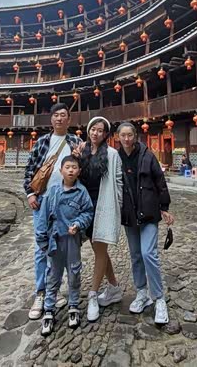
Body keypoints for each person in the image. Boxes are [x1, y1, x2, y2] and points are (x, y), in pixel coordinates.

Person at [23, 102, 83, 319]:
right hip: (43, 200)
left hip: (67, 203)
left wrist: (80, 157)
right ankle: (41, 292)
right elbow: (30, 169)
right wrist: (30, 193)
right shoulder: (43, 142)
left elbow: (82, 171)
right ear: (51, 119)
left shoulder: (76, 142)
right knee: (42, 248)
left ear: (69, 119)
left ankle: (54, 289)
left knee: (63, 247)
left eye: (63, 115)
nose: (59, 118)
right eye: (56, 115)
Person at [117, 122, 174, 324]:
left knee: (148, 253)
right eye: (123, 135)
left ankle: (159, 298)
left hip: (149, 212)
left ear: (135, 136)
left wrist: (164, 207)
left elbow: (160, 181)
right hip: (129, 215)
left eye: (130, 135)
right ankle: (142, 292)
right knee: (135, 255)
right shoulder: (116, 158)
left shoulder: (147, 156)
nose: (126, 139)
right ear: (118, 137)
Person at [35, 155, 94, 336]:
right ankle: (49, 309)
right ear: (60, 170)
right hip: (55, 240)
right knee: (53, 276)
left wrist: (79, 224)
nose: (70, 170)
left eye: (74, 167)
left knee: (74, 273)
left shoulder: (82, 192)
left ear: (79, 171)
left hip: (72, 241)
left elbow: (88, 212)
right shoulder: (52, 191)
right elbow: (43, 217)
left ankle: (73, 305)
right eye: (67, 167)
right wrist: (42, 240)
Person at [76, 117, 124, 322]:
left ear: (105, 134)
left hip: (103, 206)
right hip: (85, 207)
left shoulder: (112, 154)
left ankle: (93, 294)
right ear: (89, 131)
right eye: (93, 129)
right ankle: (114, 287)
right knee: (99, 251)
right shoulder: (82, 151)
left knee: (100, 250)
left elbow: (119, 181)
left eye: (100, 130)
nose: (96, 133)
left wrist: (117, 207)